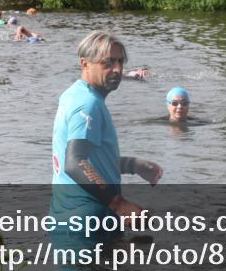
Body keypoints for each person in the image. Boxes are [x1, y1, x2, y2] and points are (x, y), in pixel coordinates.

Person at [50, 32, 162, 244]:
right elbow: (75, 163)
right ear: (85, 64)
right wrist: (119, 205)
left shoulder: (75, 94)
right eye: (108, 63)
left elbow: (90, 160)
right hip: (85, 223)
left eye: (120, 62)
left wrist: (132, 165)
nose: (118, 70)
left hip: (74, 219)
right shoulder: (88, 104)